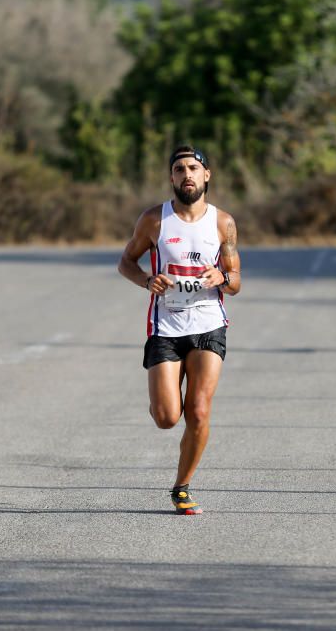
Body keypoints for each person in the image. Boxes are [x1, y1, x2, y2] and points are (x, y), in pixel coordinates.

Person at [118, 144, 241, 515]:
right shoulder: (155, 220)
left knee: (199, 412)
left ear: (206, 175)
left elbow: (235, 282)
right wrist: (145, 280)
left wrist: (222, 276)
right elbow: (126, 262)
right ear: (172, 178)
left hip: (208, 325)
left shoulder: (223, 223)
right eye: (178, 169)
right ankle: (163, 396)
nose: (186, 174)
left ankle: (182, 486)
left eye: (193, 168)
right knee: (167, 418)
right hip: (166, 327)